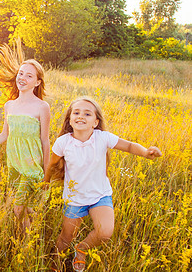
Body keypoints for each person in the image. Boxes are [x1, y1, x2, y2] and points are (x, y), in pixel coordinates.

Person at [46, 96, 162, 272]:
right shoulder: (64, 142)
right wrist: (46, 181)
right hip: (74, 198)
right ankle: (54, 265)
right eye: (76, 112)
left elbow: (130, 146)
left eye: (87, 113)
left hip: (100, 195)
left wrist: (146, 152)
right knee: (66, 237)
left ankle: (82, 249)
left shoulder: (102, 137)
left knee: (105, 232)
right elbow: (52, 163)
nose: (81, 116)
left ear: (95, 122)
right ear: (70, 120)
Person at [0, 43, 51, 234]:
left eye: (29, 75)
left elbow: (45, 141)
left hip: (32, 167)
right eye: (21, 74)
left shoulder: (42, 107)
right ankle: (32, 230)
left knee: (17, 208)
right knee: (23, 209)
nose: (22, 78)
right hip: (14, 165)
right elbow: (4, 135)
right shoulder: (9, 105)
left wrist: (47, 173)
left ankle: (27, 247)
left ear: (38, 82)